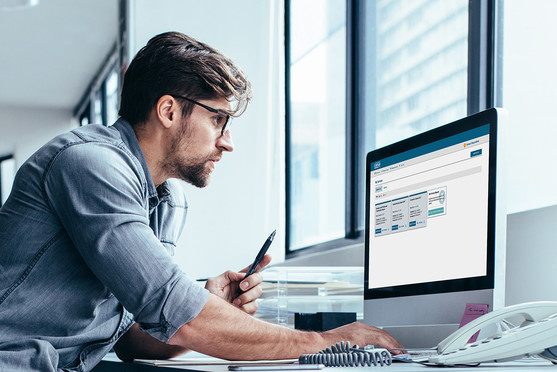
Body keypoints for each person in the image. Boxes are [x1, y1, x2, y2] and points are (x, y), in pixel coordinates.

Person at [0, 32, 402, 372]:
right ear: (169, 110)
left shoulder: (167, 203)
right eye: (218, 120)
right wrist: (325, 342)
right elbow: (178, 314)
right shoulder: (91, 165)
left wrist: (209, 307)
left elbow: (133, 340)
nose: (227, 142)